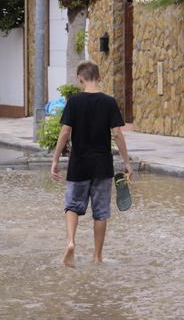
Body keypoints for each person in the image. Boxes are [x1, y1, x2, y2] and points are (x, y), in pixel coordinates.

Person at [51, 60, 133, 267]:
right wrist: (126, 161)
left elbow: (65, 132)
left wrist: (55, 159)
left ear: (80, 79)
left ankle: (70, 243)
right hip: (102, 166)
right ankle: (97, 257)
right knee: (101, 212)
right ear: (100, 77)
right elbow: (117, 134)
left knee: (72, 206)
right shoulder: (109, 102)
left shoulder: (74, 101)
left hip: (78, 164)